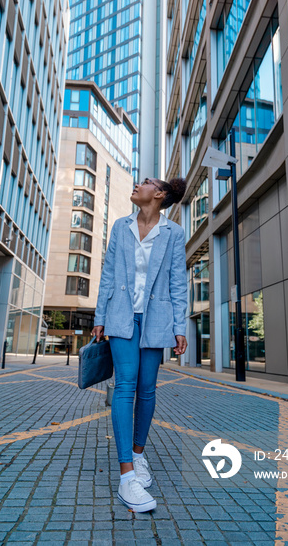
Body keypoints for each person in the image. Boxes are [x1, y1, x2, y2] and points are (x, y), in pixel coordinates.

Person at [91, 176, 188, 512]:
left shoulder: (173, 233)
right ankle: (126, 475)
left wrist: (179, 326)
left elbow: (178, 282)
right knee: (124, 387)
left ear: (158, 195)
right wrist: (99, 316)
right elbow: (107, 273)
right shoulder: (121, 226)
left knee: (147, 390)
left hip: (156, 319)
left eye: (145, 182)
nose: (137, 185)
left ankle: (138, 453)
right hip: (121, 316)